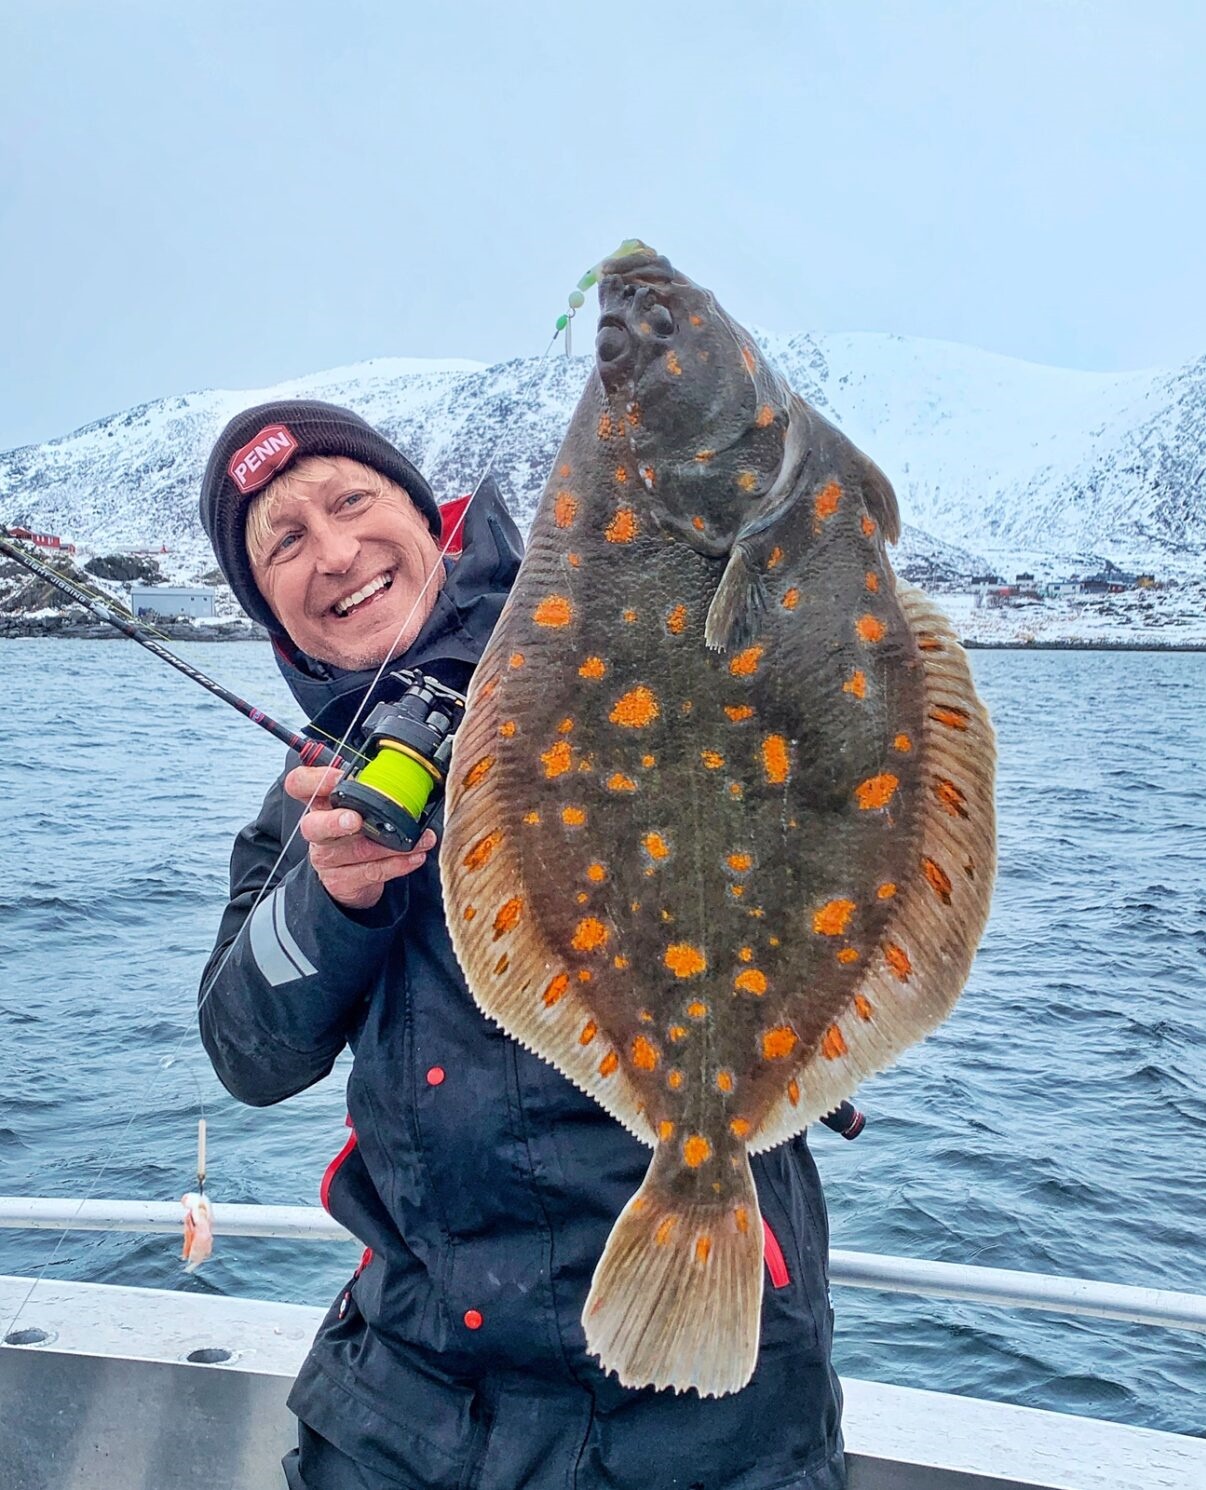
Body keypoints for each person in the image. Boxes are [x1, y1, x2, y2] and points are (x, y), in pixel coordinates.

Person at [198, 399, 847, 1490]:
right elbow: (243, 1047)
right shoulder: (309, 807)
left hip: (705, 1375)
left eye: (352, 500)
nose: (336, 553)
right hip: (413, 1393)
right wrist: (333, 898)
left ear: (429, 518)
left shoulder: (627, 652)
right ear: (272, 612)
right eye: (285, 543)